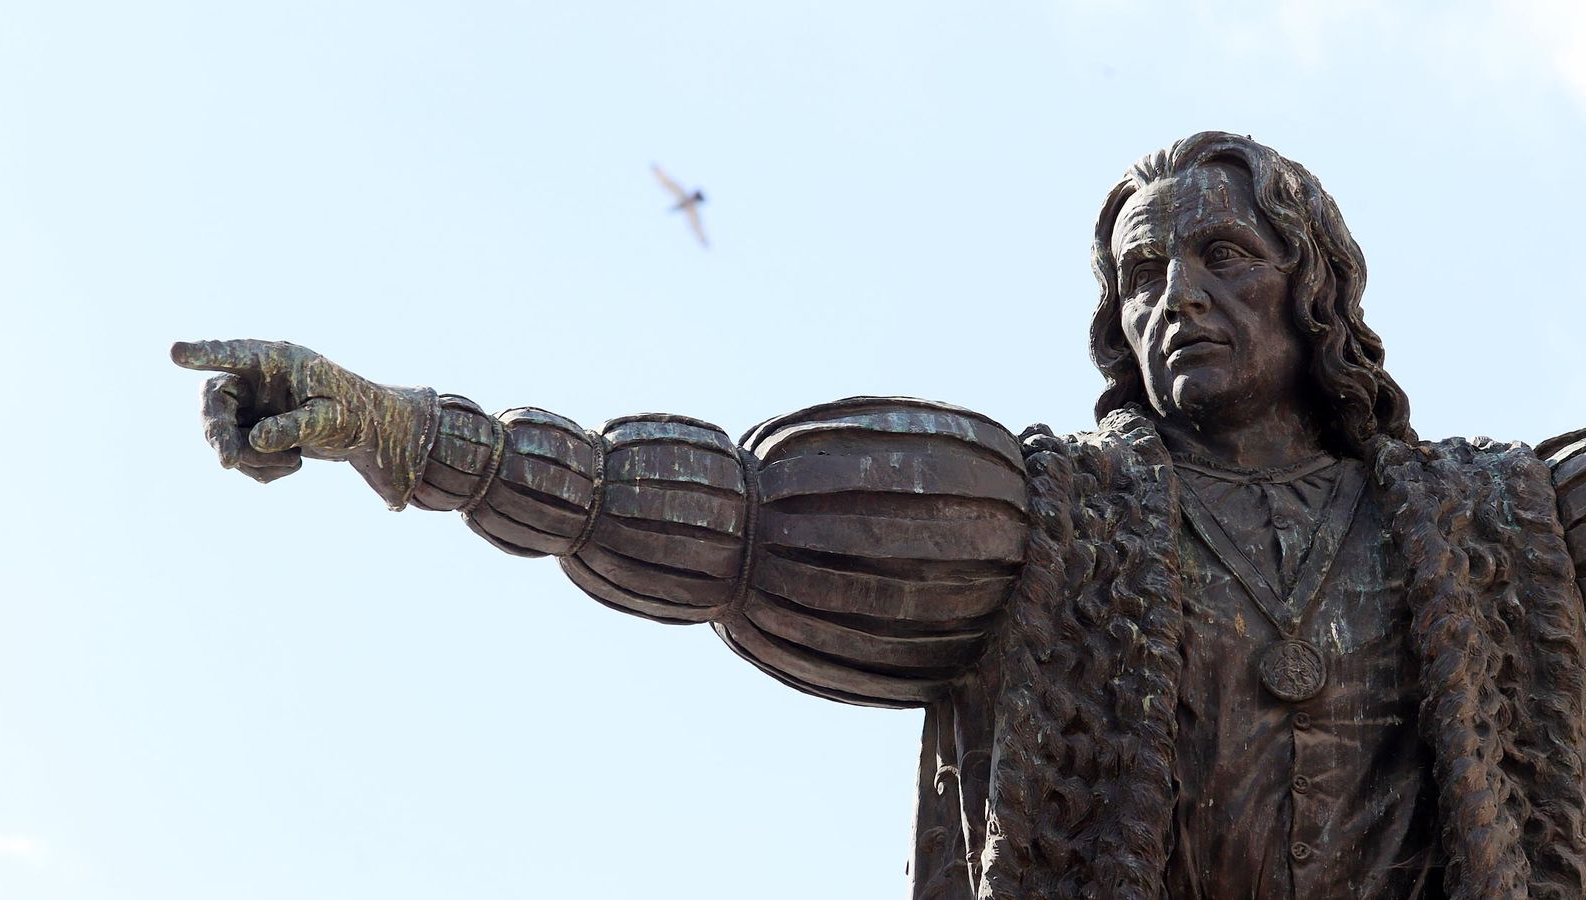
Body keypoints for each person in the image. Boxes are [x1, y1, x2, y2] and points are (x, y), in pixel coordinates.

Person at [174, 132, 1586, 900]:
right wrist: (421, 434)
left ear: (1313, 284)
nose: (1177, 299)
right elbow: (717, 512)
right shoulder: (1044, 520)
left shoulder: (1500, 527)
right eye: (1142, 273)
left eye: (1222, 254)